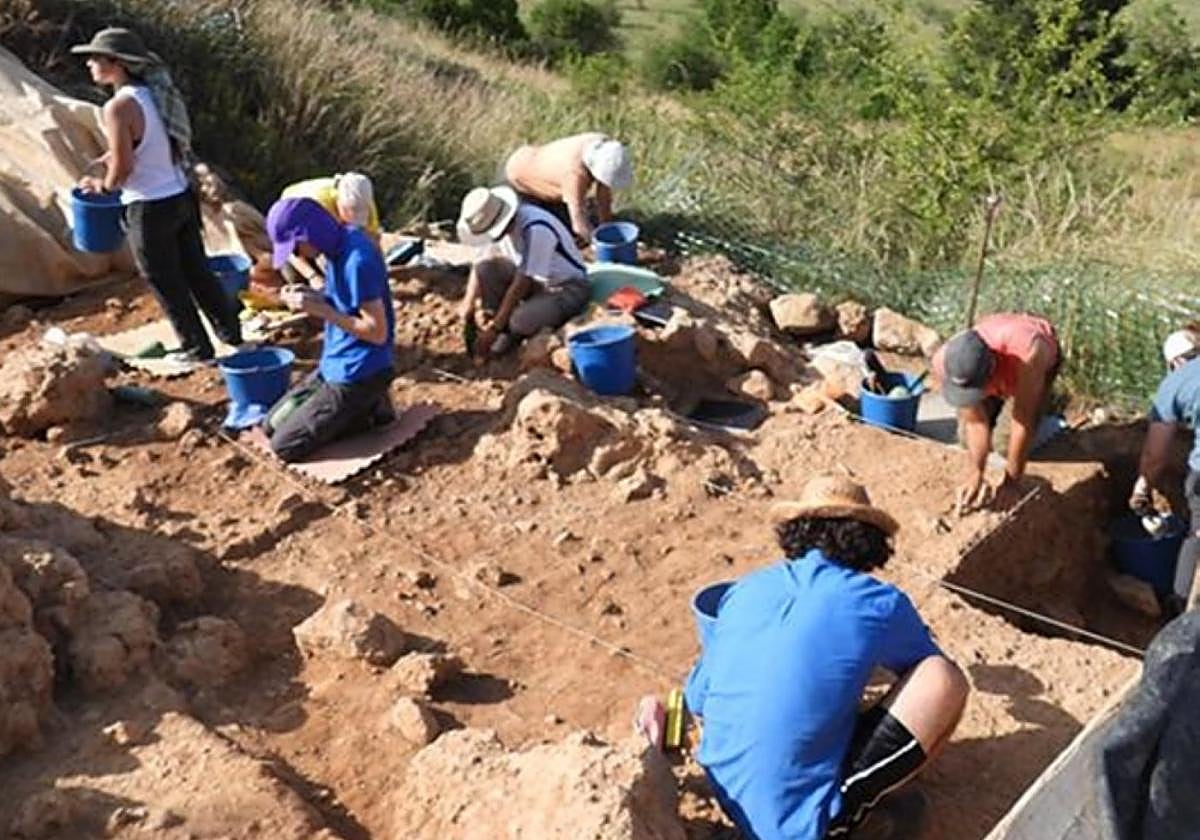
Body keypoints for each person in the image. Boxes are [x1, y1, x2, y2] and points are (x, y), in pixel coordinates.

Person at [684, 475, 969, 840]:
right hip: (796, 827)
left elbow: (696, 698)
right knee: (942, 679)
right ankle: (859, 811)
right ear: (869, 541)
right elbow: (926, 671)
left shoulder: (746, 588)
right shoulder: (879, 603)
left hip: (728, 796)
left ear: (796, 532)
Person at [72, 27, 243, 363]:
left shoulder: (118, 107)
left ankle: (197, 349)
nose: (89, 63)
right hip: (179, 196)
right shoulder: (152, 95)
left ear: (116, 63)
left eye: (95, 57)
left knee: (165, 280)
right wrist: (108, 160)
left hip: (149, 207)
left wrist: (102, 185)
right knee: (197, 271)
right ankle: (232, 335)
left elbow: (123, 168)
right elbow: (153, 145)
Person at [262, 197, 395, 462]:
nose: (297, 256)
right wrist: (315, 295)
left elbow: (377, 331)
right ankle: (362, 407)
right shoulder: (338, 245)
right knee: (271, 424)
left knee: (285, 446)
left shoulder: (357, 261)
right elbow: (346, 302)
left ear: (309, 234)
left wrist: (321, 310)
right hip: (335, 362)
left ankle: (369, 408)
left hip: (361, 372)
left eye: (296, 247)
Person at [931, 313, 1061, 513]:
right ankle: (999, 402)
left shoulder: (1028, 355)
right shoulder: (945, 363)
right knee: (967, 440)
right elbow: (975, 423)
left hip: (1032, 363)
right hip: (997, 367)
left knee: (1003, 444)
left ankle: (1048, 400)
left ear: (992, 368)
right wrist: (976, 472)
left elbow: (1022, 421)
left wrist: (1011, 482)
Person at [456, 185, 591, 359]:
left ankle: (511, 331)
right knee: (486, 269)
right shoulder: (494, 223)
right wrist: (468, 302)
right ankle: (504, 328)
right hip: (537, 282)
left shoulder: (536, 228)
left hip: (567, 288)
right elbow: (479, 261)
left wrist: (495, 328)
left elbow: (522, 282)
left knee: (520, 320)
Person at [1129, 329, 1200, 616]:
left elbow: (1155, 456)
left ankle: (1180, 610)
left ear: (1174, 362)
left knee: (1196, 538)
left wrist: (1142, 486)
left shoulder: (1176, 383)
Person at [503, 133, 632, 243]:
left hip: (537, 164)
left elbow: (604, 191)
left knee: (588, 217)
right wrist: (600, 244)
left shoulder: (603, 146)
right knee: (559, 236)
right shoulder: (573, 175)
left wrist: (607, 227)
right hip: (521, 181)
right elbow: (579, 226)